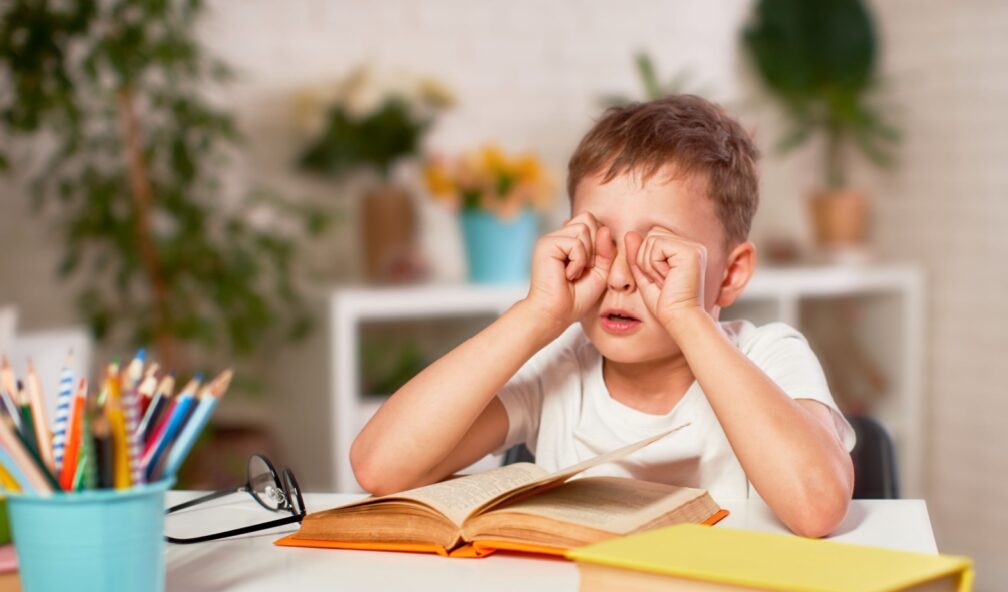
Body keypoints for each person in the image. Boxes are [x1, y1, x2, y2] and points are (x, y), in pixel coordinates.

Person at [351, 95, 855, 537]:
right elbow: (379, 467)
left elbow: (817, 508)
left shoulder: (770, 356)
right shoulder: (557, 367)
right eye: (600, 243)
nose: (618, 277)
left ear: (731, 274)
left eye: (658, 253)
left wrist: (686, 316)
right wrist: (536, 314)